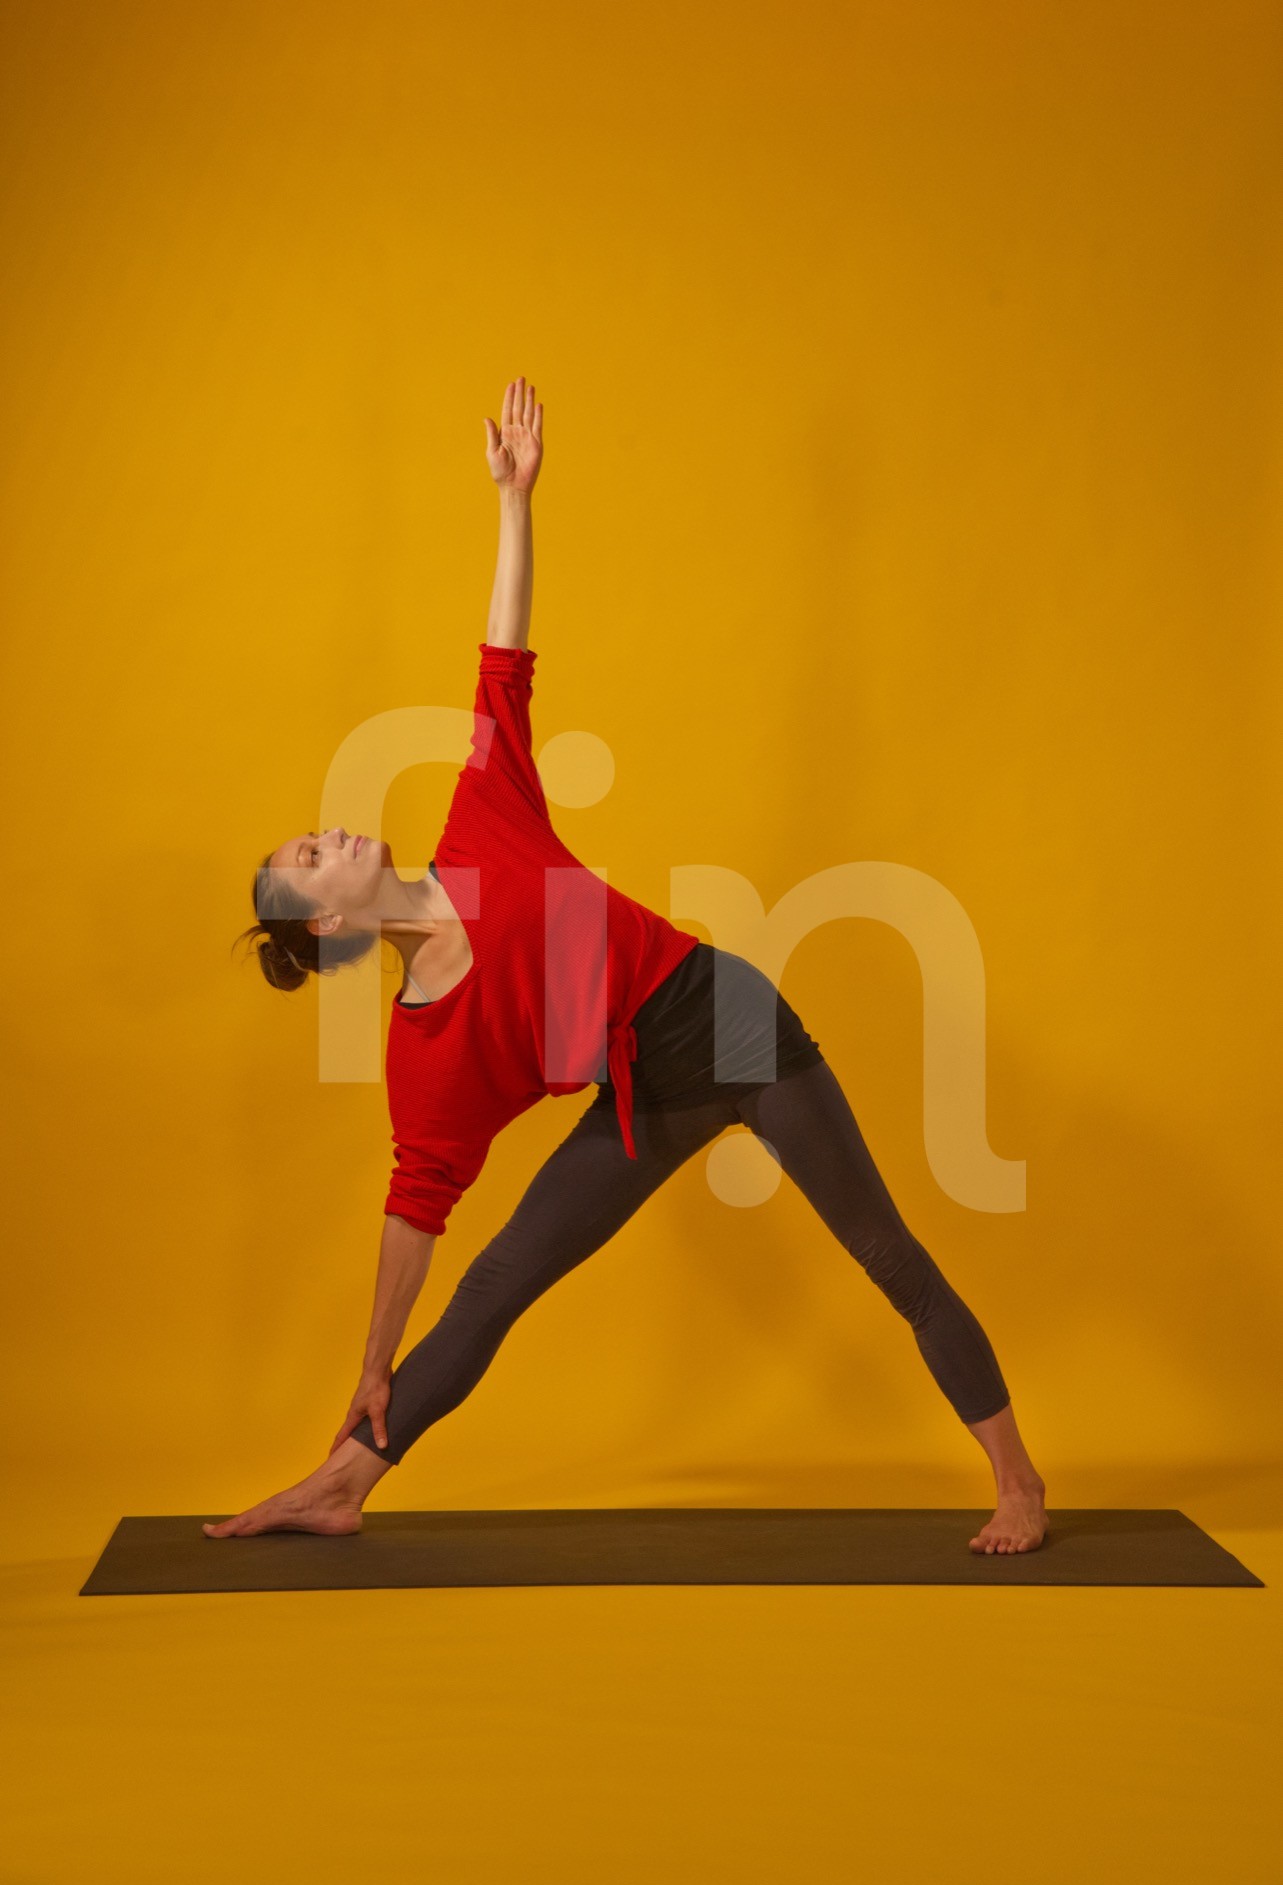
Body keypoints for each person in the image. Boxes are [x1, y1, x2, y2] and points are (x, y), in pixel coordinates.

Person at [208, 376, 1048, 1556]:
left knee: (882, 1251)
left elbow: (501, 659)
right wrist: (372, 1360)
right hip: (640, 1090)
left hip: (731, 1021)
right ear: (328, 929)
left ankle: (1017, 1484)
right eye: (311, 858)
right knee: (499, 1280)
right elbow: (417, 1202)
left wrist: (514, 501)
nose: (330, 833)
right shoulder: (427, 1044)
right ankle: (340, 1483)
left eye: (313, 833)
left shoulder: (481, 822)